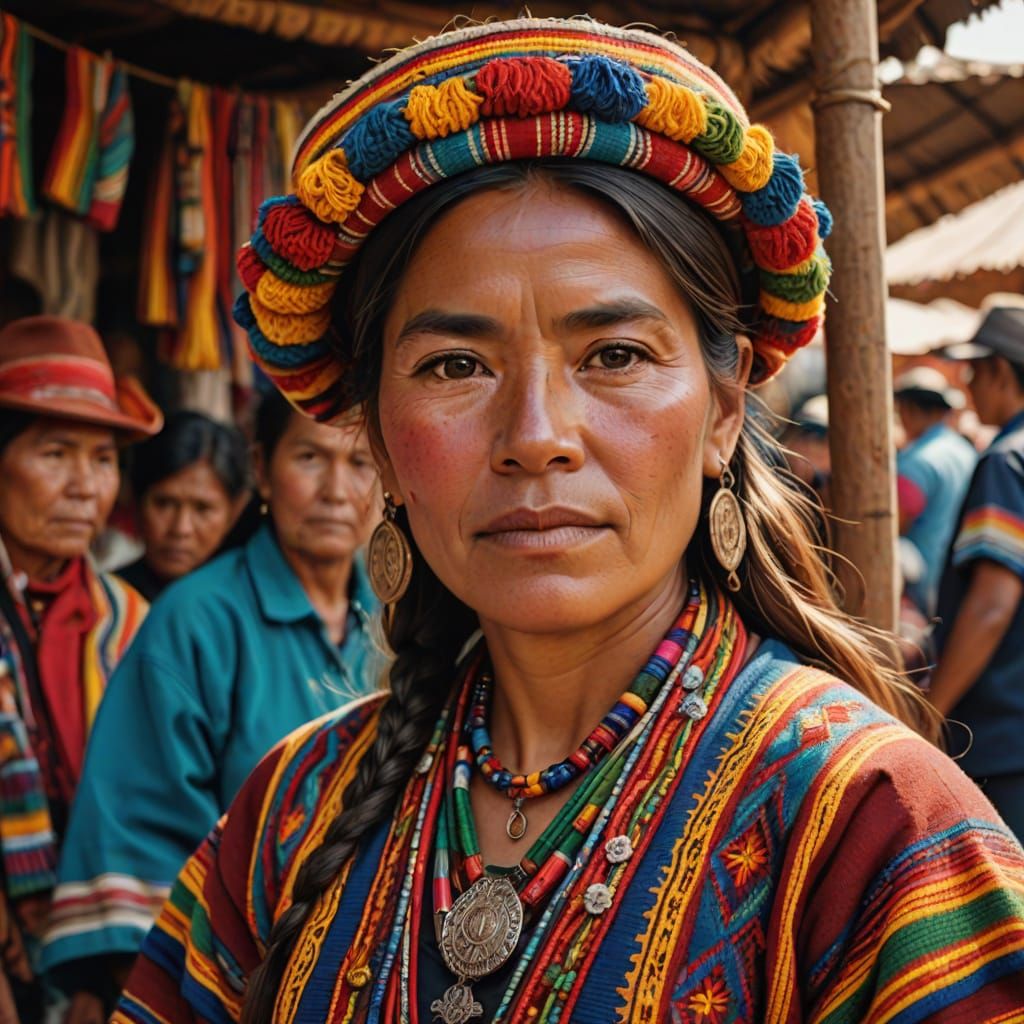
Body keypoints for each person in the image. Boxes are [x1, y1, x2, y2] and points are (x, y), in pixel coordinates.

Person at [115, 21, 1024, 1024]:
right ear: (377, 438)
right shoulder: (291, 813)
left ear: (723, 415)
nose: (536, 436)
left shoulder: (871, 825)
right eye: (456, 366)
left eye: (615, 355)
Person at [42, 388, 388, 1017]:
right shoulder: (194, 622)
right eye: (310, 459)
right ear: (261, 468)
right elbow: (140, 842)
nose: (338, 489)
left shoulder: (399, 625)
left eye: (361, 463)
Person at [0, 315, 161, 1019]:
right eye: (56, 453)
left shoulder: (128, 621)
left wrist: (105, 970)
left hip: (93, 956)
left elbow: (146, 808)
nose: (84, 487)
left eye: (102, 461)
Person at [929, 307, 1024, 840]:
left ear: (1003, 374)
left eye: (976, 370)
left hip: (1000, 737)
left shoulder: (1006, 462)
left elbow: (992, 604)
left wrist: (932, 714)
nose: (966, 384)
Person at [116, 411, 250, 601]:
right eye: (164, 504)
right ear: (136, 501)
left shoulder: (248, 604)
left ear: (234, 511)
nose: (181, 529)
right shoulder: (108, 605)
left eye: (202, 508)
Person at [894, 367, 976, 616]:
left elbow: (894, 525)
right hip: (958, 579)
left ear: (909, 409)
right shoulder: (965, 451)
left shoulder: (916, 462)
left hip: (923, 587)